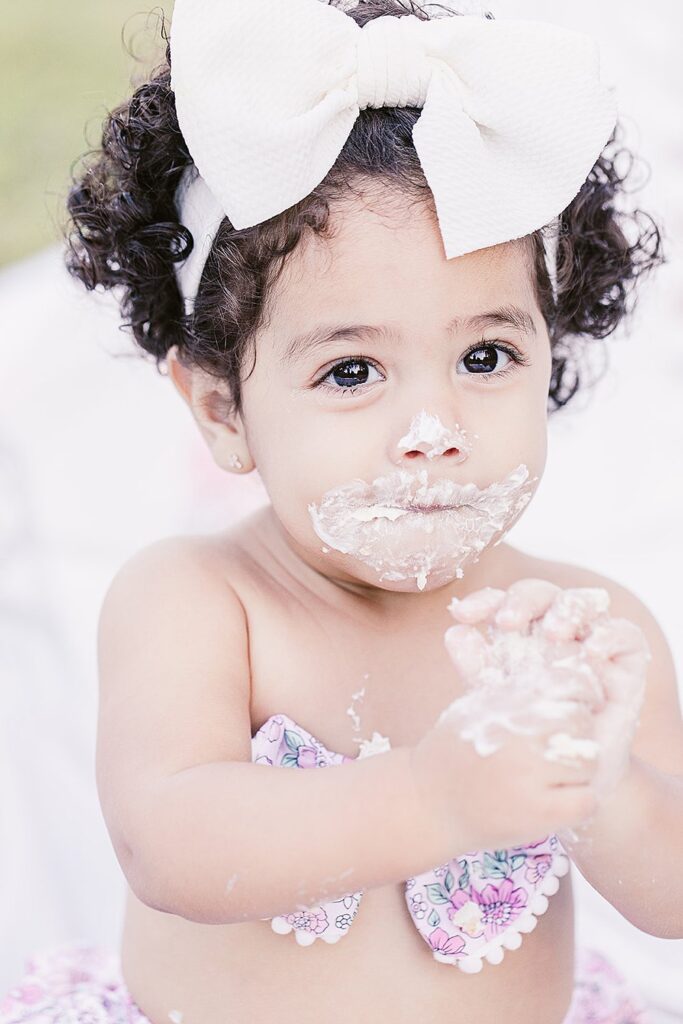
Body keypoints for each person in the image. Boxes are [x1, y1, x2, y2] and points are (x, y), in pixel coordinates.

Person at [3, 1, 682, 1022]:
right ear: (221, 408)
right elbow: (170, 842)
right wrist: (433, 799)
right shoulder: (200, 603)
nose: (430, 425)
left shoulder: (583, 626)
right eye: (351, 369)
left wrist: (607, 783)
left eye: (484, 357)